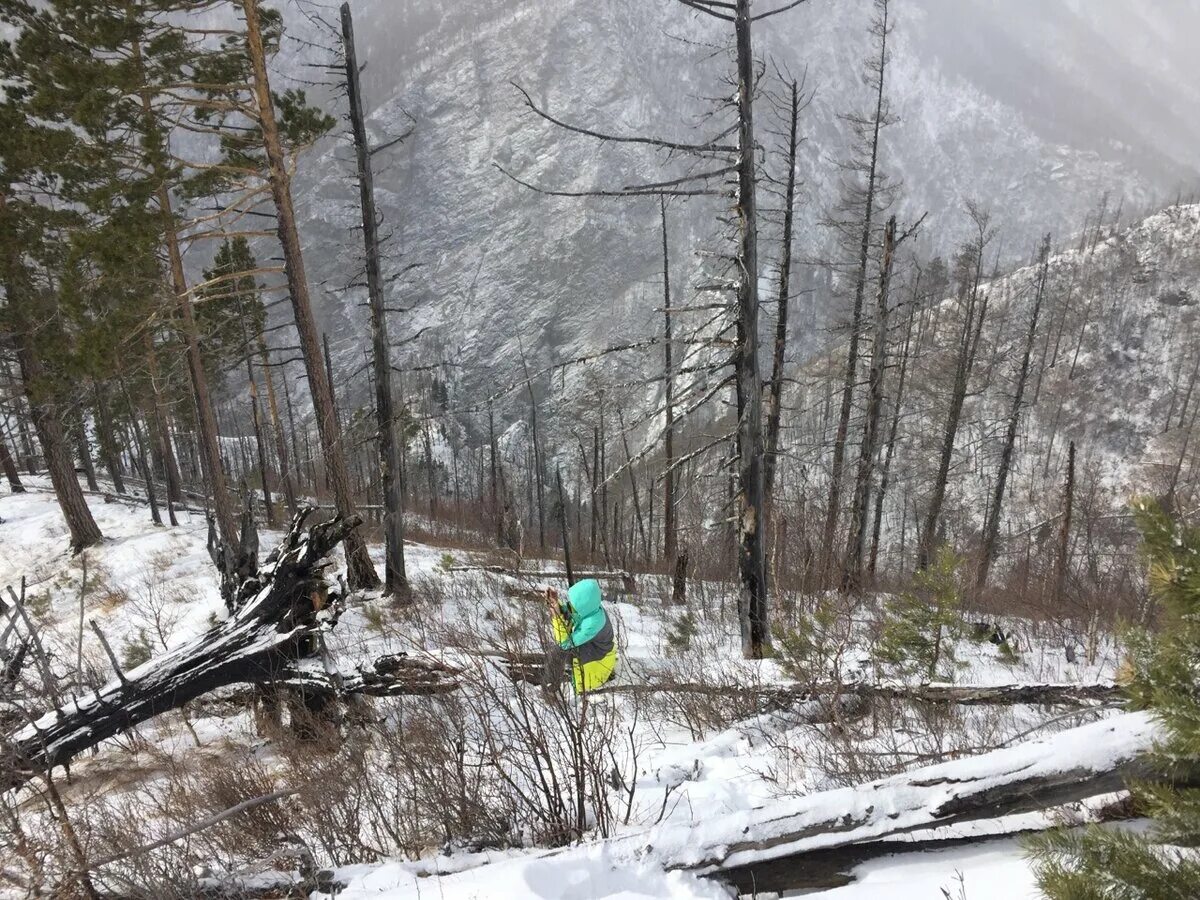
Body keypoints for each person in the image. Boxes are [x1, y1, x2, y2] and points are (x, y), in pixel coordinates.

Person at [543, 579, 618, 694]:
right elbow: (572, 614)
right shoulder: (591, 609)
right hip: (596, 650)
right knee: (555, 651)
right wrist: (556, 605)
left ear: (583, 604)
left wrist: (556, 615)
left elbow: (564, 644)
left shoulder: (592, 623)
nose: (570, 606)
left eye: (572, 604)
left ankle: (550, 691)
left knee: (556, 652)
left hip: (597, 665)